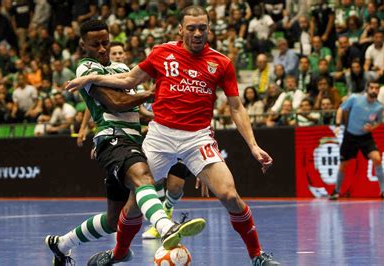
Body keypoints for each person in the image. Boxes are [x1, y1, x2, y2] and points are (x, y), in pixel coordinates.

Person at [66, 6, 280, 265]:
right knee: (134, 204)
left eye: (202, 28)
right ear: (181, 30)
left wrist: (254, 146)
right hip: (160, 136)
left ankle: (257, 256)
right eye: (191, 28)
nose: (197, 33)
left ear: (209, 29)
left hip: (197, 139)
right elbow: (129, 80)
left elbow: (236, 106)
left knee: (230, 195)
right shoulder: (162, 53)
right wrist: (93, 77)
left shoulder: (221, 63)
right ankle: (119, 253)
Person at [45, 20, 206, 266]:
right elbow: (115, 102)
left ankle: (61, 244)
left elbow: (137, 107)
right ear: (82, 45)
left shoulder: (121, 66)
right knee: (143, 177)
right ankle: (166, 227)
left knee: (114, 220)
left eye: (105, 43)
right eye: (95, 44)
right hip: (113, 137)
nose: (101, 49)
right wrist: (152, 93)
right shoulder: (85, 68)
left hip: (133, 138)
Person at [330, 82, 384, 200]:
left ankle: (383, 190)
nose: (374, 90)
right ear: (367, 89)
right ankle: (336, 191)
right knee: (344, 164)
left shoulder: (379, 107)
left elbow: (378, 122)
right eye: (372, 88)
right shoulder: (355, 98)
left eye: (377, 88)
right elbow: (341, 109)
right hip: (350, 136)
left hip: (365, 137)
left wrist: (372, 128)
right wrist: (338, 125)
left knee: (377, 158)